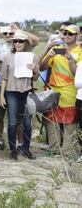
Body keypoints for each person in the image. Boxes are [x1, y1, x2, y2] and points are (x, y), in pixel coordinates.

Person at [0, 24, 40, 150]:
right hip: (0, 84)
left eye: (11, 34)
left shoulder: (23, 46)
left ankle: (19, 142)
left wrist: (19, 30)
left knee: (17, 117)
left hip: (19, 85)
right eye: (5, 34)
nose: (8, 36)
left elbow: (36, 40)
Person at [39, 24, 82, 156]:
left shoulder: (80, 51)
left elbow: (77, 74)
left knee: (70, 123)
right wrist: (48, 55)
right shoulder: (57, 49)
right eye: (64, 33)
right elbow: (42, 67)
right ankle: (54, 149)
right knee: (52, 121)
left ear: (77, 35)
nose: (67, 36)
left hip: (71, 92)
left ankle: (67, 152)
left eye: (70, 33)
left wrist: (70, 59)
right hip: (54, 92)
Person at [0, 30, 39, 160]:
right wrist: (1, 95)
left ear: (26, 42)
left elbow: (36, 77)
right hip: (11, 91)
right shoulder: (7, 57)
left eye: (20, 41)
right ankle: (12, 150)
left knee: (27, 122)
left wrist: (34, 70)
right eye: (15, 41)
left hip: (26, 91)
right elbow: (4, 77)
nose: (17, 43)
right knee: (13, 122)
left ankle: (26, 149)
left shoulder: (33, 56)